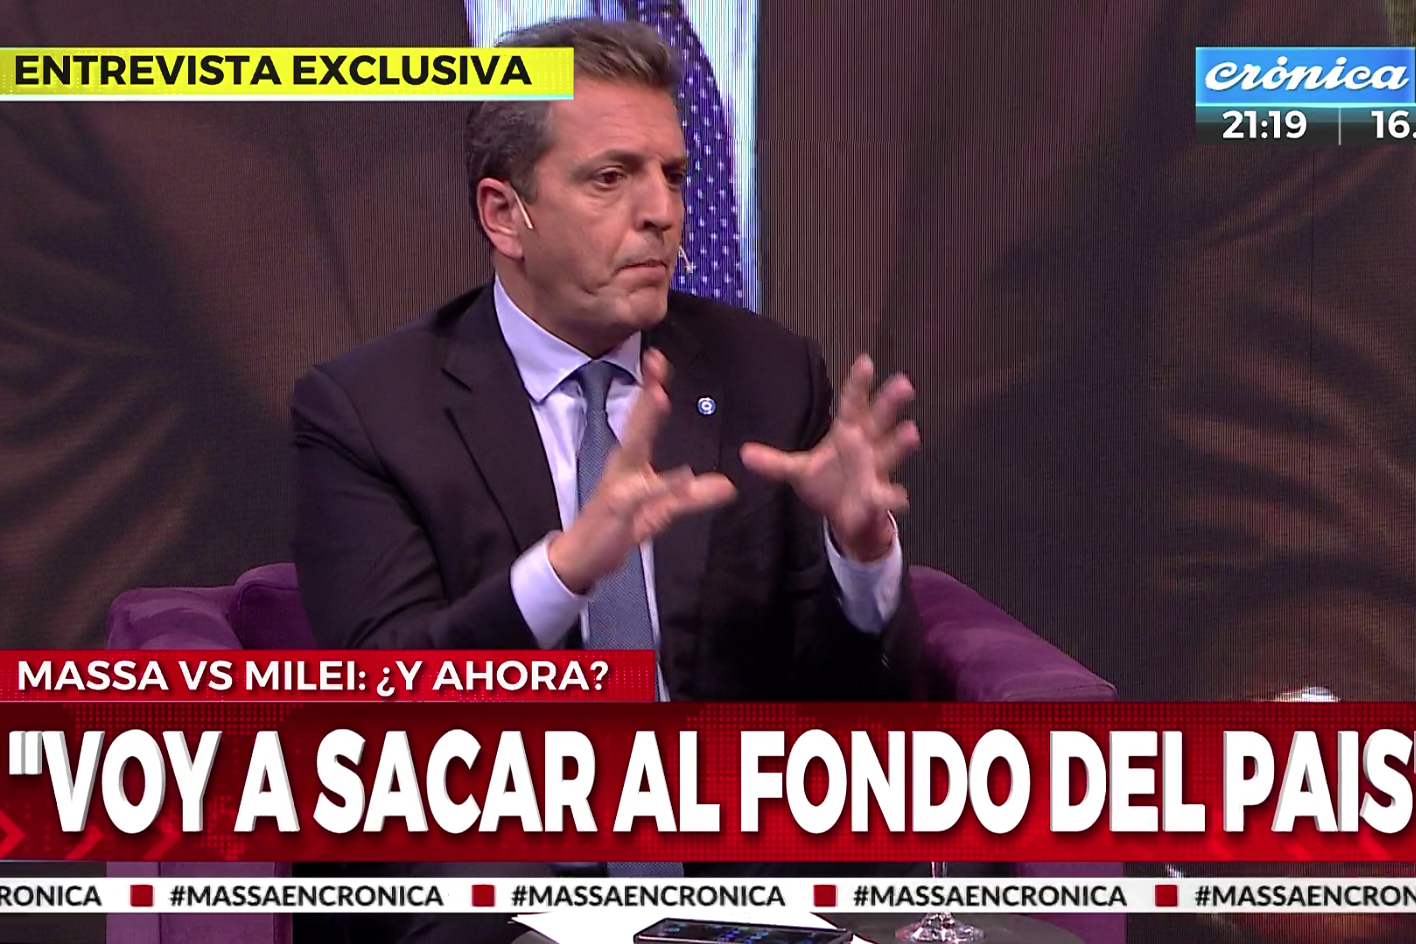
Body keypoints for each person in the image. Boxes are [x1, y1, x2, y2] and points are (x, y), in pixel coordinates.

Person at [290, 19, 925, 944]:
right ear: (505, 214)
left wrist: (860, 558)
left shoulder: (767, 375)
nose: (661, 212)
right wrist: (562, 572)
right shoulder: (367, 408)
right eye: (610, 177)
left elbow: (840, 713)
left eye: (673, 174)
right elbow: (381, 713)